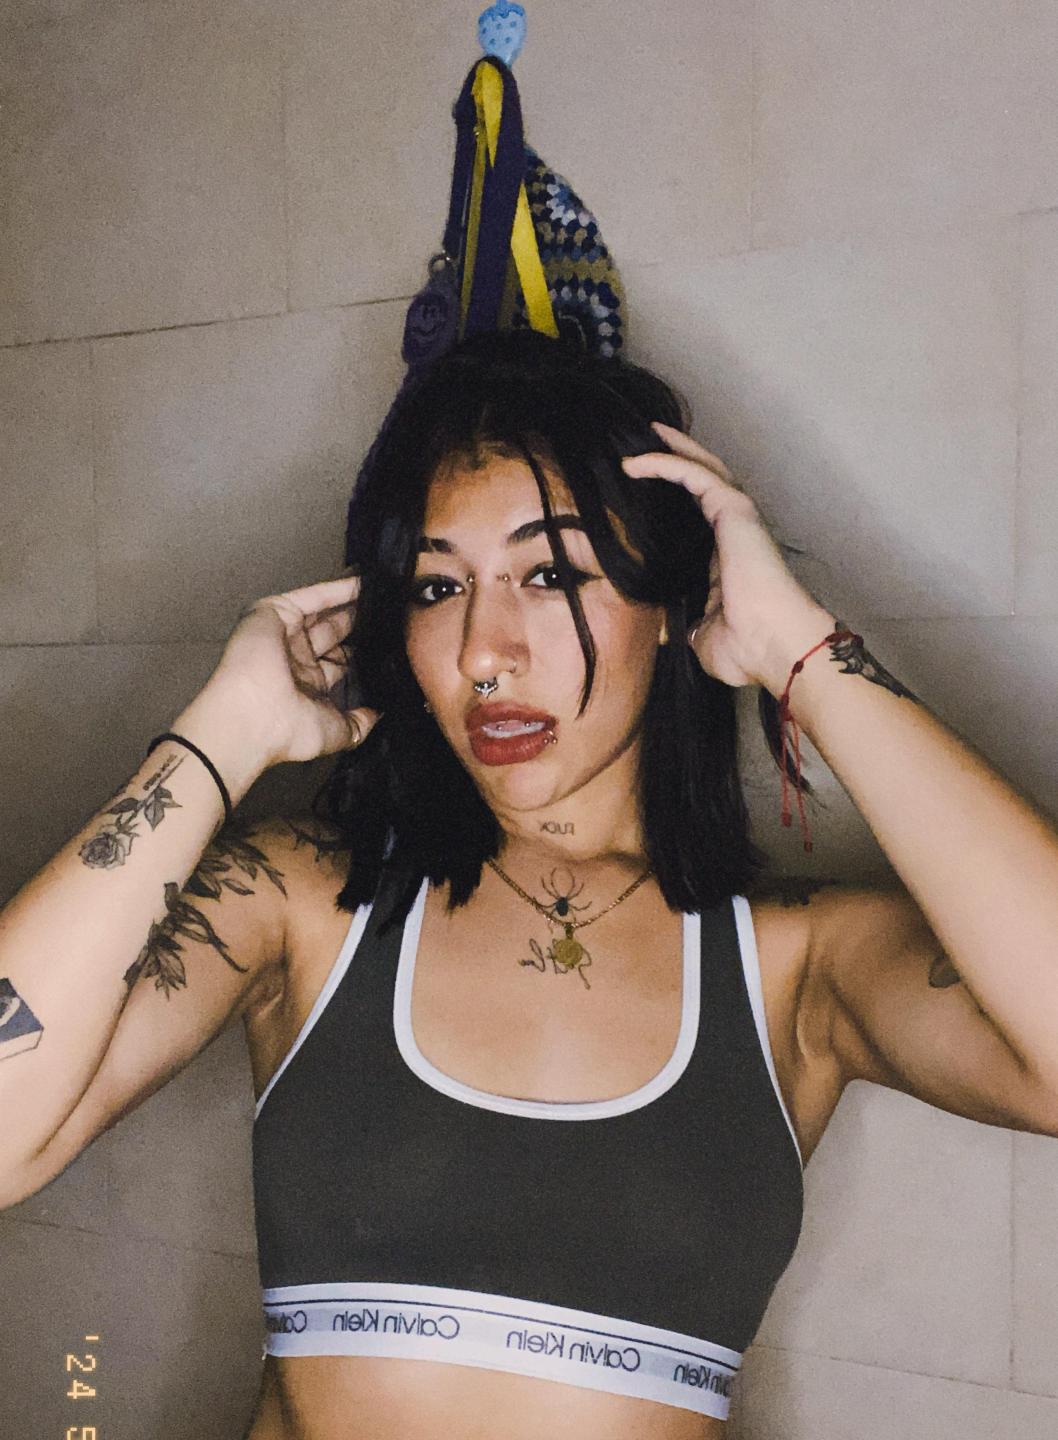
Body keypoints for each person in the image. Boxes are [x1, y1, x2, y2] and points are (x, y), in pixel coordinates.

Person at [1, 327, 1056, 1440]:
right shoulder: (304, 901)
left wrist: (800, 654)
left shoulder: (797, 967)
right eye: (436, 586)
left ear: (669, 603)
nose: (482, 652)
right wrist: (221, 737)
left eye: (549, 574)